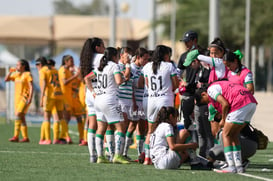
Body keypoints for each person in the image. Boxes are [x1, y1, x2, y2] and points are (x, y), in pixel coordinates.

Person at [194, 80, 257, 173]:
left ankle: (231, 166)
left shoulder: (211, 90)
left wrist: (223, 119)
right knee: (233, 135)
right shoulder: (222, 85)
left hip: (240, 102)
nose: (208, 103)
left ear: (204, 94)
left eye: (205, 101)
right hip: (251, 102)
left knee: (225, 134)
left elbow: (225, 104)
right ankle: (239, 166)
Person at [84, 47, 129, 164]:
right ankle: (118, 156)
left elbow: (87, 78)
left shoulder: (100, 66)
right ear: (114, 56)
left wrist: (93, 91)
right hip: (110, 100)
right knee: (121, 127)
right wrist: (125, 78)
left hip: (98, 99)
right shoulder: (114, 66)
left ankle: (100, 157)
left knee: (101, 128)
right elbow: (119, 81)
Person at [139, 45, 179, 165]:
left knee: (150, 131)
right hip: (165, 100)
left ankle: (147, 158)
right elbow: (176, 84)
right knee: (167, 128)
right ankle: (165, 154)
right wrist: (168, 91)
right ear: (165, 55)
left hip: (151, 100)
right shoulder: (169, 66)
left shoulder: (146, 66)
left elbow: (146, 84)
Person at [182, 49, 214, 159]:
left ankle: (211, 156)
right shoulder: (199, 71)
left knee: (208, 132)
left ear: (197, 60)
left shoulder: (208, 70)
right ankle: (202, 155)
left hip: (206, 103)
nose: (190, 66)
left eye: (191, 63)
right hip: (198, 103)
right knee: (200, 131)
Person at [80, 37, 105, 162]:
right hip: (99, 92)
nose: (104, 48)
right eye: (103, 46)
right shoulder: (101, 58)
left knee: (91, 125)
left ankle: (92, 155)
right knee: (103, 125)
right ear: (97, 47)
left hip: (89, 93)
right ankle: (103, 154)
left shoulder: (86, 59)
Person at [123, 47, 149, 162]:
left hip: (143, 101)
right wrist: (134, 103)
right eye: (145, 59)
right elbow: (135, 85)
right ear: (138, 57)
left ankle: (140, 155)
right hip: (134, 102)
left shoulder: (144, 67)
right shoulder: (132, 68)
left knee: (142, 128)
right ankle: (123, 152)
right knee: (132, 125)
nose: (146, 61)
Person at [177, 30, 200, 141]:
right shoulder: (183, 56)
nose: (186, 44)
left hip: (201, 93)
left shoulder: (202, 54)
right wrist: (181, 81)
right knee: (187, 120)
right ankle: (190, 144)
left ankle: (203, 147)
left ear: (194, 41)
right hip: (187, 93)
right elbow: (177, 74)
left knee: (201, 120)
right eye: (184, 42)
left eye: (188, 41)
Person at [36, 57, 64, 145]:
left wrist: (42, 97)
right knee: (57, 118)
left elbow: (44, 84)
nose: (37, 67)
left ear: (40, 64)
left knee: (46, 117)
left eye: (37, 65)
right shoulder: (54, 70)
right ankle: (56, 139)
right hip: (58, 95)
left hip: (49, 96)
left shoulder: (43, 71)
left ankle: (47, 139)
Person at [5, 59, 33, 142]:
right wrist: (10, 72)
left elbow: (31, 86)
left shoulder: (27, 74)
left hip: (24, 97)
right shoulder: (16, 75)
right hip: (17, 99)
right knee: (22, 117)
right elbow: (6, 79)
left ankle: (16, 136)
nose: (16, 66)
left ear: (23, 66)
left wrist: (30, 97)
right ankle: (25, 137)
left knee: (17, 114)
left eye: (18, 65)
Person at [58, 55, 81, 144]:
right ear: (66, 61)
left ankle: (63, 137)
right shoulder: (63, 70)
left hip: (69, 96)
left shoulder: (68, 70)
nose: (73, 62)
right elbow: (64, 82)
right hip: (64, 97)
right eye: (71, 61)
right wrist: (76, 75)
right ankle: (65, 137)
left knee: (67, 118)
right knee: (65, 117)